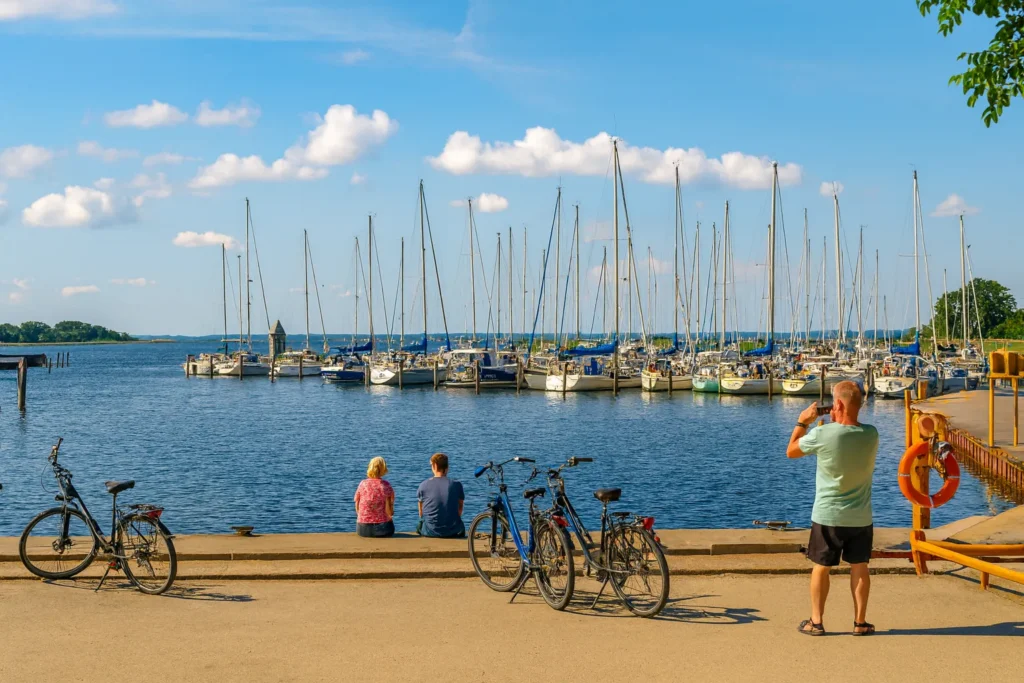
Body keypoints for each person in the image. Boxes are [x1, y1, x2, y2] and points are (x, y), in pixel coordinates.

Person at [786, 380, 878, 636]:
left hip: (828, 515)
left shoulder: (822, 434)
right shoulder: (871, 434)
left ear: (837, 404)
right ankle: (860, 622)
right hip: (860, 516)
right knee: (860, 566)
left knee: (821, 567)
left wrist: (803, 422)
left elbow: (791, 451)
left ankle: (816, 622)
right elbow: (847, 434)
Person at [416, 452, 465, 538]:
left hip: (430, 531)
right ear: (447, 468)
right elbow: (460, 509)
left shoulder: (423, 485)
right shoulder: (457, 485)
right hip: (453, 531)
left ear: (434, 466)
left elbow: (421, 512)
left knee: (420, 525)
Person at [354, 456, 395, 538]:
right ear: (383, 469)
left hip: (362, 529)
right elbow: (389, 511)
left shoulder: (362, 484)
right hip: (383, 529)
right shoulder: (386, 485)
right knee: (389, 522)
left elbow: (357, 507)